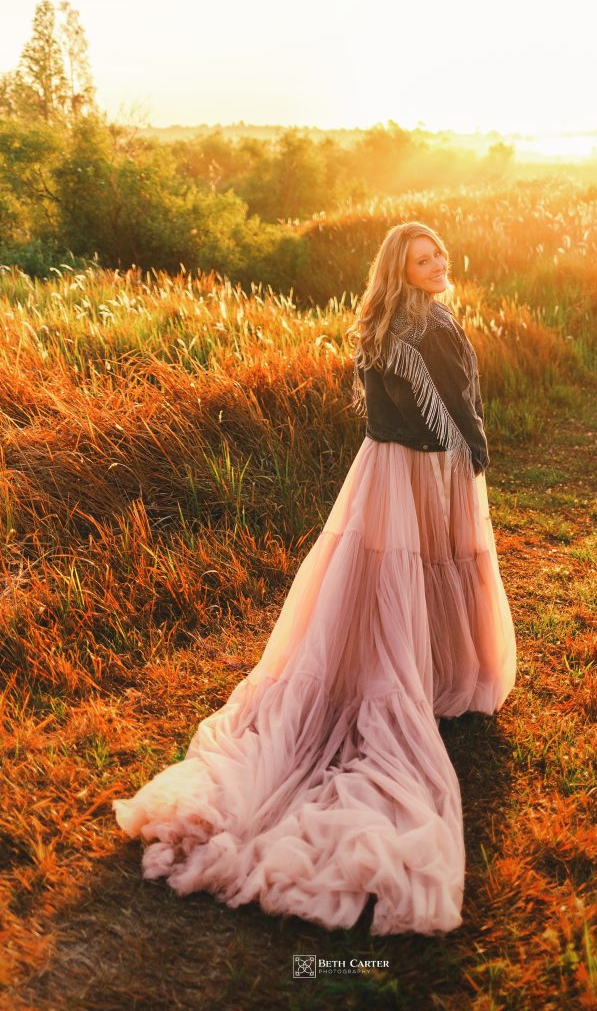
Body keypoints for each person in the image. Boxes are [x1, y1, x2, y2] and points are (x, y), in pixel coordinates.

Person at [112, 220, 517, 937]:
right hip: (425, 469)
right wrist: (472, 456)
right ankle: (427, 673)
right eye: (422, 259)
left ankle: (421, 665)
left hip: (383, 468)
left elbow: (388, 411)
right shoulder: (424, 328)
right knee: (420, 570)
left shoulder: (384, 325)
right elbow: (450, 413)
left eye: (440, 254)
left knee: (388, 576)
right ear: (400, 269)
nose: (438, 263)